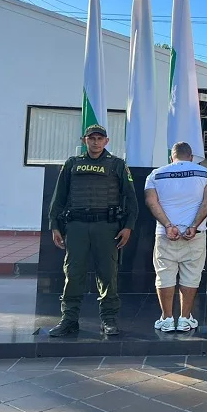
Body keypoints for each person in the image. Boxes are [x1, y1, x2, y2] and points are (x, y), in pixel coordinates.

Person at [48, 124, 139, 336]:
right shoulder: (72, 164)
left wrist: (128, 227)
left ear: (106, 141)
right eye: (92, 138)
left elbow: (131, 200)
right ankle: (69, 320)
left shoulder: (117, 164)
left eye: (100, 138)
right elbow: (58, 198)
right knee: (73, 274)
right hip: (77, 226)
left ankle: (109, 320)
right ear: (84, 140)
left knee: (108, 275)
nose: (95, 142)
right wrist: (55, 226)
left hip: (106, 227)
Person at [144, 142, 207, 332]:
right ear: (191, 157)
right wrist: (193, 225)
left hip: (165, 234)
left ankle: (167, 319)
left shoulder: (156, 174)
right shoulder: (206, 173)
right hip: (195, 234)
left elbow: (151, 202)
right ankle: (185, 318)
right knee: (192, 276)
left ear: (172, 157)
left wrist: (168, 225)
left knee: (164, 276)